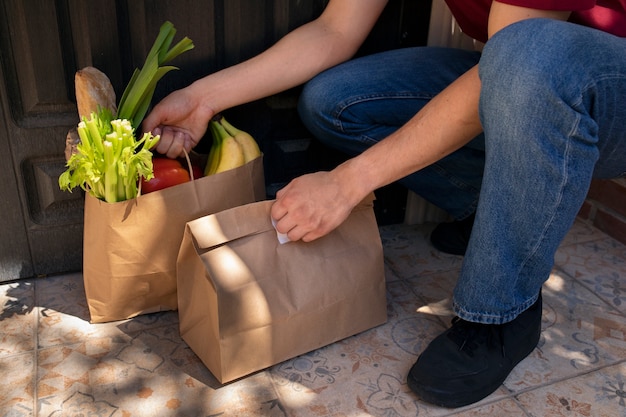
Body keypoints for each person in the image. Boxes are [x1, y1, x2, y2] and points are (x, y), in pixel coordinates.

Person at [143, 0, 626, 408]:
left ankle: (502, 313)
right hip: (526, 66)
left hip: (600, 86)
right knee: (336, 100)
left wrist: (345, 183)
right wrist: (203, 99)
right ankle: (499, 208)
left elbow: (515, 63)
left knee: (527, 56)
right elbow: (334, 30)